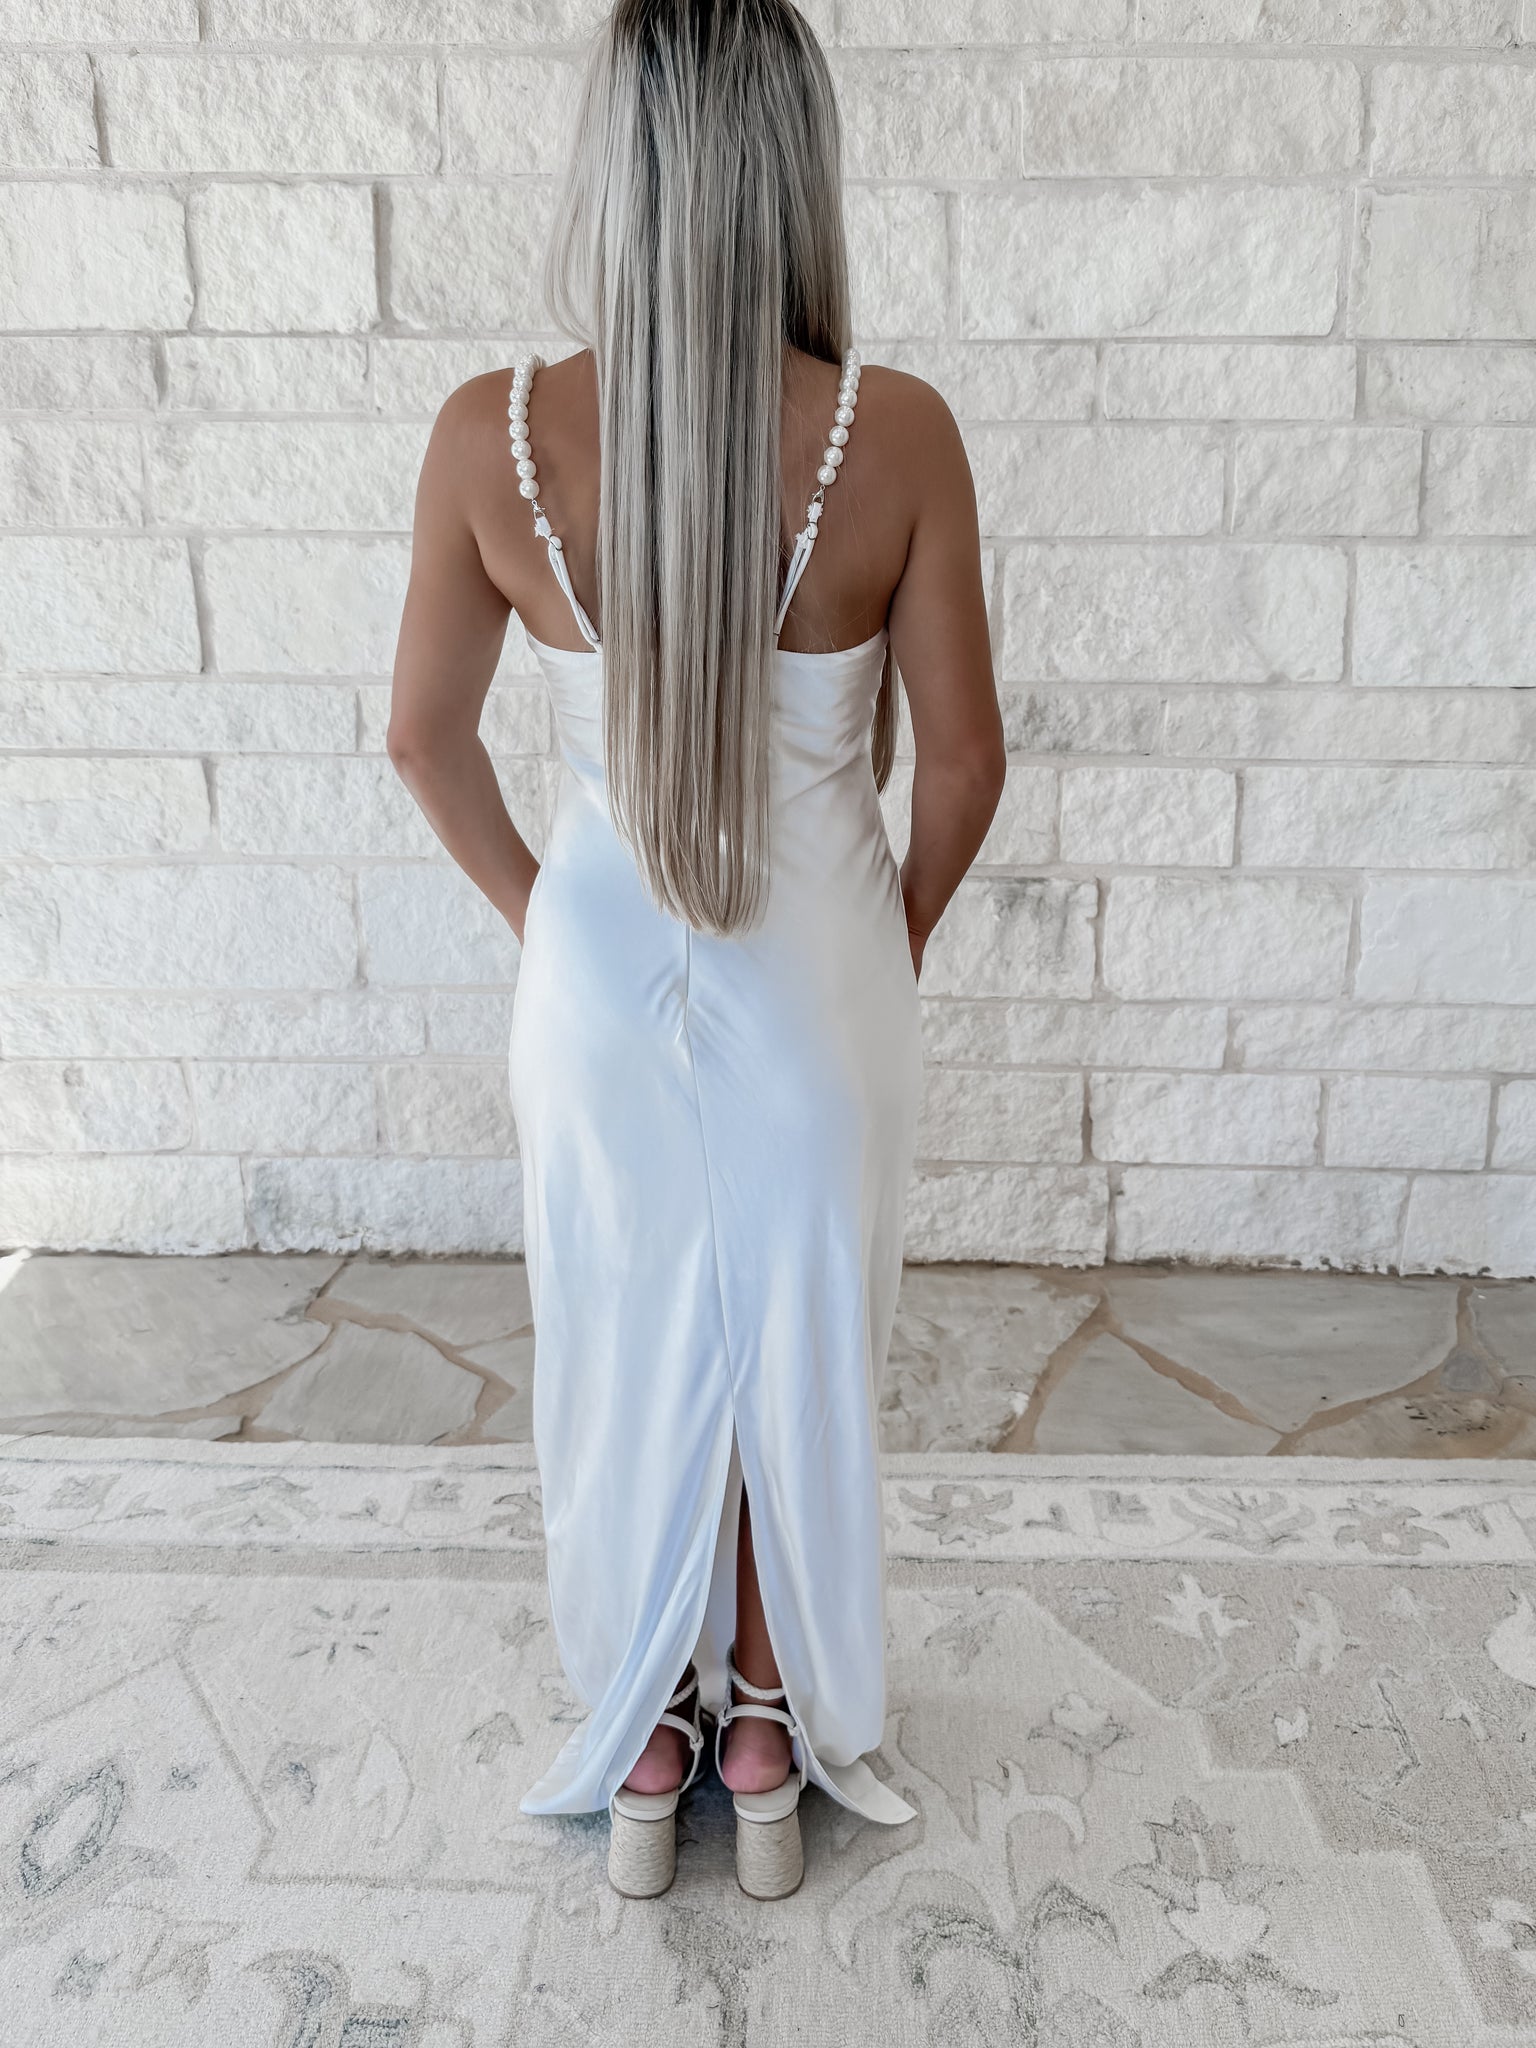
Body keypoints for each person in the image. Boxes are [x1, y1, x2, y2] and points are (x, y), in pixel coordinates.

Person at [386, 0, 1003, 1902]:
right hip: (820, 983)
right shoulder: (896, 433)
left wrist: (557, 926)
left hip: (593, 992)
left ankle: (649, 1731)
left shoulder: (491, 437)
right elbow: (965, 765)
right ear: (791, 164)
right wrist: (877, 945)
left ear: (622, 166)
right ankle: (768, 1725)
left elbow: (422, 738)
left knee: (627, 1336)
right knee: (795, 1351)